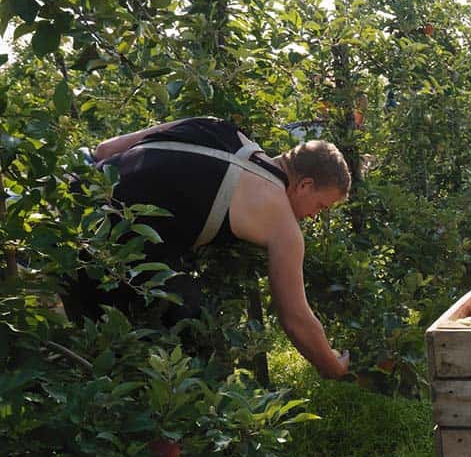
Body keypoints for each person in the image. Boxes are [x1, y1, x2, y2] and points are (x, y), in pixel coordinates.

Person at [69, 117, 352, 379]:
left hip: (63, 207)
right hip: (97, 260)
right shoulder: (282, 223)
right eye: (320, 206)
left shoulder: (218, 127)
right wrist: (332, 367)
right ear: (304, 185)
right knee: (192, 321)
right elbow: (296, 318)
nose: (314, 215)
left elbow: (105, 149)